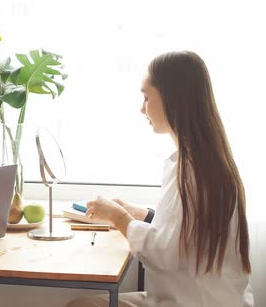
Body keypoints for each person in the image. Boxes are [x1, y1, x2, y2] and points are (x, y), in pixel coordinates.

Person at [67, 51, 253, 307]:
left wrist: (118, 217)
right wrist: (141, 214)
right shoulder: (204, 162)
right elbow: (186, 232)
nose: (141, 108)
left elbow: (164, 253)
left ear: (173, 100)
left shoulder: (194, 172)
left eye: (146, 97)